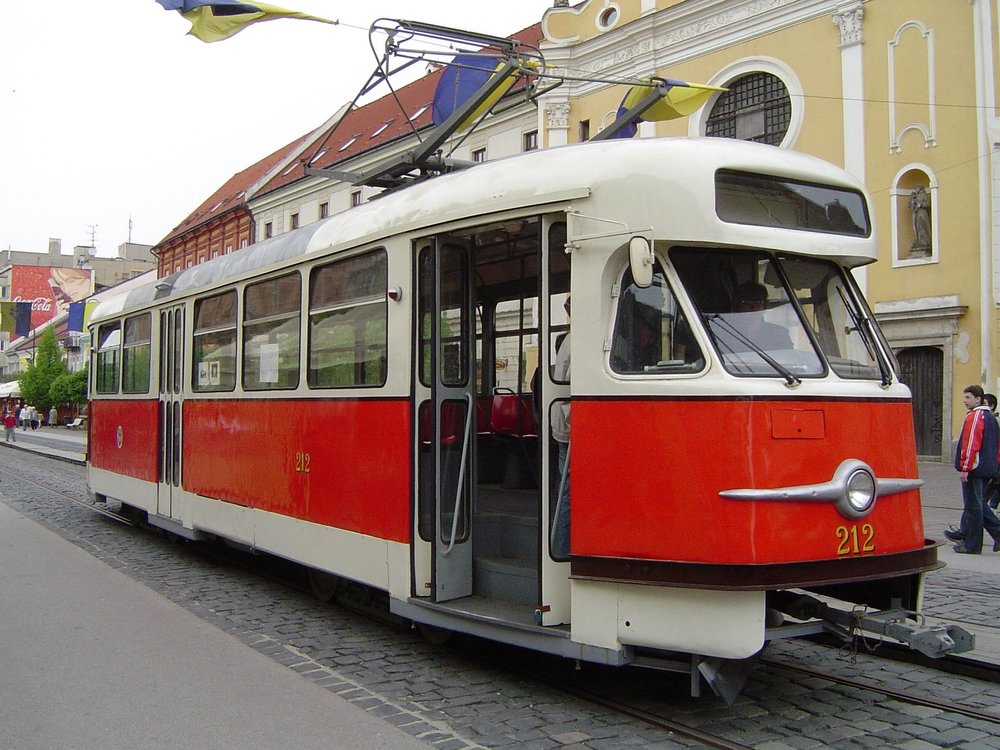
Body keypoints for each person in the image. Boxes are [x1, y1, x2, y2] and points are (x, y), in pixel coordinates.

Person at [949, 385, 1000, 553]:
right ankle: (997, 533)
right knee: (978, 503)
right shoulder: (990, 418)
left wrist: (965, 467)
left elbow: (971, 443)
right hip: (988, 467)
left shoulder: (975, 416)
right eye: (964, 397)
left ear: (978, 399)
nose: (964, 401)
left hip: (975, 468)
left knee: (973, 506)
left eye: (968, 397)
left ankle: (973, 545)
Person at [711, 282, 793, 354]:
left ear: (764, 306)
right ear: (737, 306)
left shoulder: (779, 333)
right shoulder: (722, 332)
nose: (754, 307)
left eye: (759, 302)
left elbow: (791, 359)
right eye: (747, 302)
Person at [551, 296, 572, 559]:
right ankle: (561, 551)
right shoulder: (578, 339)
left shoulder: (568, 338)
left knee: (565, 490)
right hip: (569, 428)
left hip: (562, 426)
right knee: (569, 495)